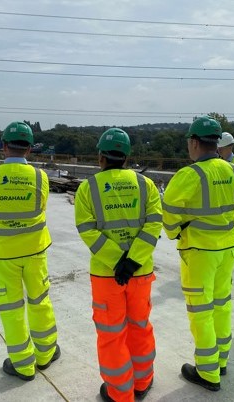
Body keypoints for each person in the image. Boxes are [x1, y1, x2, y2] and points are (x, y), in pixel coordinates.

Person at [162, 116, 234, 391]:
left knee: (201, 310)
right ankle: (221, 361)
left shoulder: (190, 174)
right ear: (215, 142)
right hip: (227, 249)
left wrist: (175, 232)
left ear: (194, 142)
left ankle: (207, 372)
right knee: (221, 305)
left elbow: (168, 209)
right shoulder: (233, 170)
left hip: (199, 252)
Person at [75, 128, 162, 402]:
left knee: (112, 335)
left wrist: (117, 261)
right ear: (126, 157)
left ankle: (120, 393)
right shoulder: (145, 185)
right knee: (140, 326)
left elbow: (87, 229)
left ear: (100, 156)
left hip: (106, 276)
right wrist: (133, 260)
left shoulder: (88, 188)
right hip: (140, 272)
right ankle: (142, 383)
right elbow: (154, 224)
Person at [0, 121, 60, 381]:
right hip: (34, 251)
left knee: (11, 308)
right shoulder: (40, 177)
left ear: (3, 147)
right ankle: (46, 353)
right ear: (30, 149)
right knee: (40, 300)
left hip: (1, 254)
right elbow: (41, 205)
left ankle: (23, 365)